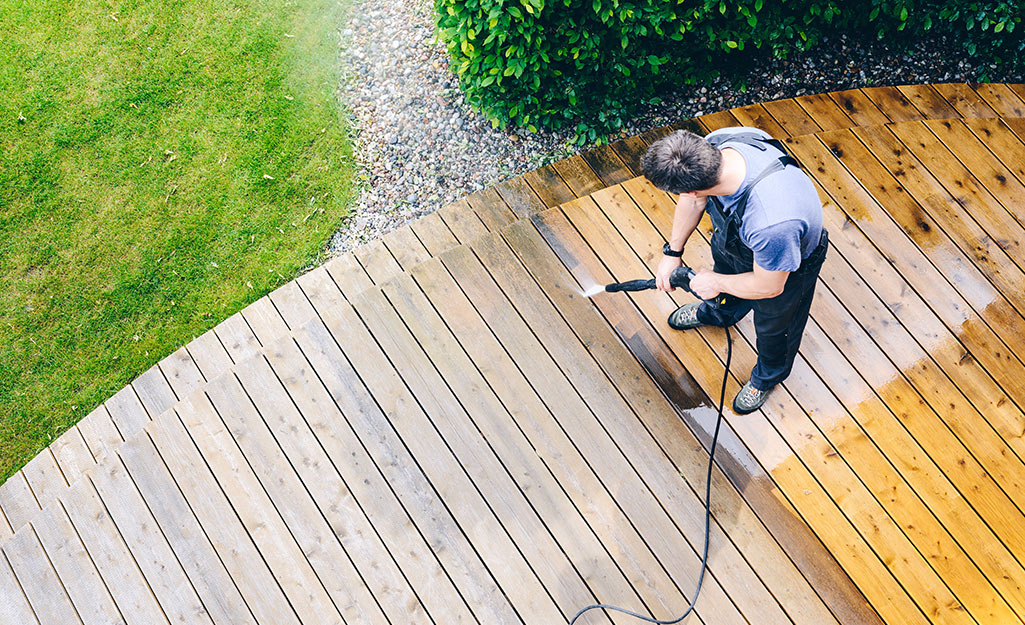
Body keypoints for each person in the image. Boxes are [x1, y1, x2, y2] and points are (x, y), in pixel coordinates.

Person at [640, 127, 828, 414]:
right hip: (735, 242)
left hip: (785, 270)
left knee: (775, 330)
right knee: (723, 285)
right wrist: (672, 253)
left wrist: (715, 281)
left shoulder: (772, 222)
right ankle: (719, 314)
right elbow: (694, 199)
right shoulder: (717, 144)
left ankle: (767, 377)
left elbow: (769, 287)